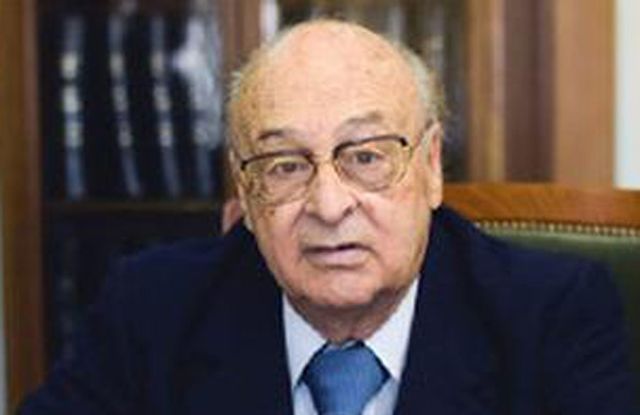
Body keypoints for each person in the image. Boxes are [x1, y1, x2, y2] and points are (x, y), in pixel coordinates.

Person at [20, 19, 634, 415]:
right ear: (245, 192)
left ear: (431, 167)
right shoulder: (152, 307)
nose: (329, 205)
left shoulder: (552, 314)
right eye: (285, 165)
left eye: (366, 157)